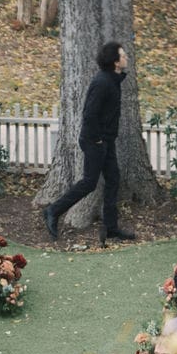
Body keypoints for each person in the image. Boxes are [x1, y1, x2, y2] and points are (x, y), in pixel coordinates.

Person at [44, 40, 134, 246]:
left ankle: (111, 227)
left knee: (113, 180)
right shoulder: (102, 82)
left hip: (106, 140)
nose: (126, 57)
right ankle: (53, 210)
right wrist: (97, 139)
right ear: (114, 61)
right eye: (123, 55)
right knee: (89, 182)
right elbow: (89, 114)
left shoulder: (114, 80)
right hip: (95, 141)